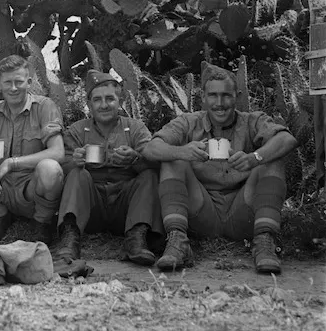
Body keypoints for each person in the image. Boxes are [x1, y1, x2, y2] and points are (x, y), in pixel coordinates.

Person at [141, 64, 298, 274]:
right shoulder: (188, 123)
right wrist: (183, 152)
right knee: (173, 160)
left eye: (226, 95)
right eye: (213, 95)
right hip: (201, 211)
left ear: (237, 96)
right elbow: (151, 148)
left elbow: (286, 139)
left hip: (244, 211)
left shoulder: (253, 120)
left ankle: (264, 242)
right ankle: (178, 241)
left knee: (272, 160)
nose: (219, 103)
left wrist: (254, 158)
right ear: (203, 97)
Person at [53, 69, 164, 267]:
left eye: (110, 99)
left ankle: (137, 237)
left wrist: (135, 158)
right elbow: (61, 165)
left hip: (126, 207)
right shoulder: (77, 130)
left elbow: (154, 160)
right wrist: (75, 162)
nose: (104, 105)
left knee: (148, 176)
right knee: (78, 174)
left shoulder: (136, 128)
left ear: (119, 101)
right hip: (91, 207)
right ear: (89, 104)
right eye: (97, 100)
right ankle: (69, 239)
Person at [0, 54, 65, 245]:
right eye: (8, 82)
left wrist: (12, 163)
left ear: (29, 82)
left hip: (31, 187)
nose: (13, 88)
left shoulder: (44, 107)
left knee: (51, 168)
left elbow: (57, 152)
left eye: (19, 82)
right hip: (0, 185)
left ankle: (41, 222)